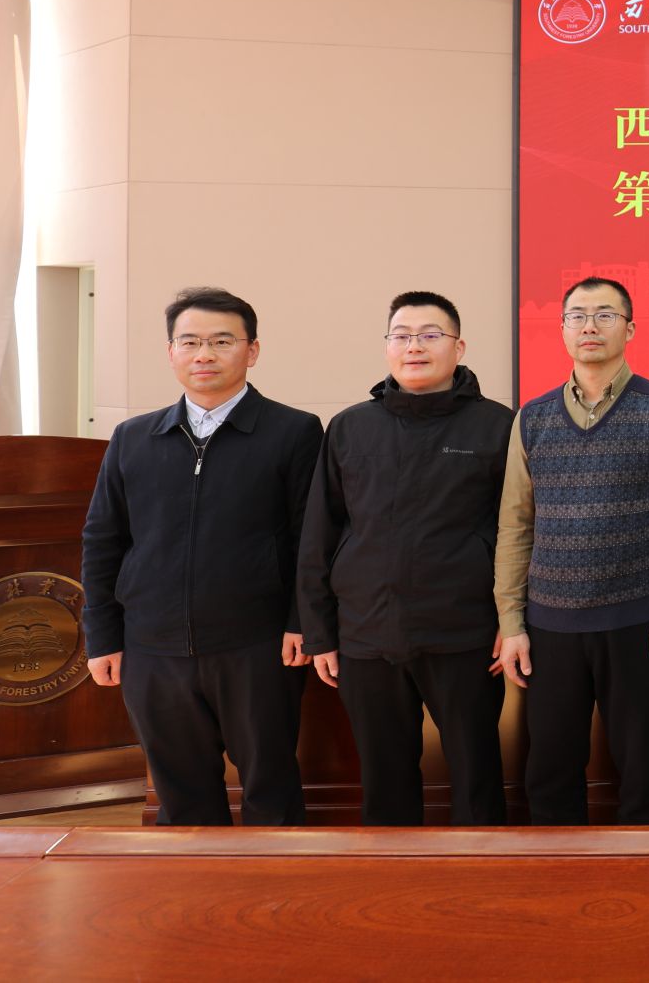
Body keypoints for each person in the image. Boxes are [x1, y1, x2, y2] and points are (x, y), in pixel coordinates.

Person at [80, 287, 321, 825]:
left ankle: (276, 881)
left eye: (221, 341)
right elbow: (102, 541)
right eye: (189, 342)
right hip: (151, 646)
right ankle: (191, 883)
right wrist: (103, 636)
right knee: (181, 798)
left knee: (271, 790)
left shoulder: (294, 431)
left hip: (258, 645)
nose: (203, 354)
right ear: (171, 352)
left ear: (252, 351)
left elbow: (310, 540)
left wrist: (302, 621)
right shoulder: (133, 438)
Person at [296, 290, 515, 825]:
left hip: (466, 633)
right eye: (402, 336)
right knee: (384, 776)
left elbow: (520, 532)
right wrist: (320, 632)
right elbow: (320, 532)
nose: (414, 346)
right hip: (367, 632)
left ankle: (481, 869)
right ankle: (389, 873)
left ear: (458, 347)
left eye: (430, 335)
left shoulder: (498, 426)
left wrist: (512, 621)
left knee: (477, 772)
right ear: (387, 347)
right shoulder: (350, 427)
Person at [493, 276, 649, 825]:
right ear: (562, 329)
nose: (590, 326)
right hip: (550, 626)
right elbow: (515, 524)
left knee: (645, 768)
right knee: (550, 771)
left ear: (629, 329)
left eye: (605, 315)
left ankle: (646, 871)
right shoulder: (532, 417)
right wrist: (511, 622)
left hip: (637, 622)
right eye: (577, 316)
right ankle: (559, 873)